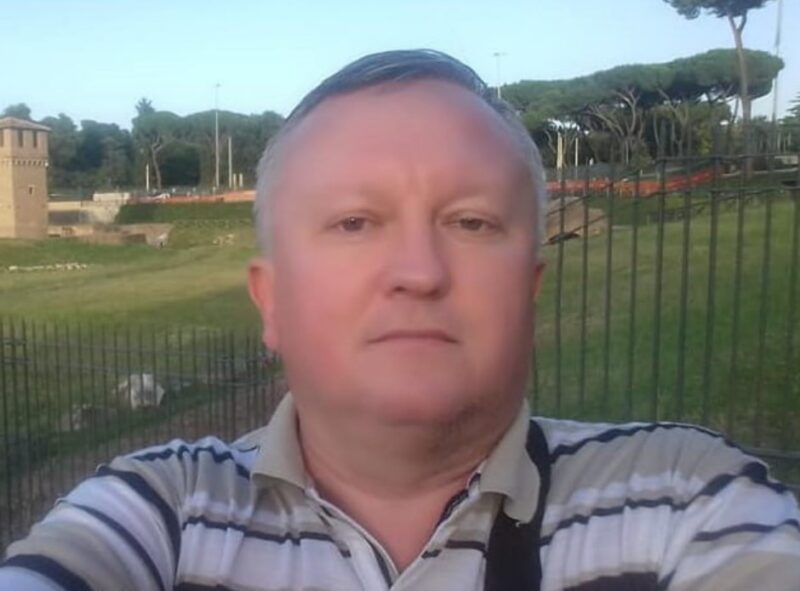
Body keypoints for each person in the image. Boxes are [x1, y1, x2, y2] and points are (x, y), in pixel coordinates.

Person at [2, 49, 799, 591]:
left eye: (472, 222)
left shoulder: (688, 498)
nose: (419, 271)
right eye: (354, 222)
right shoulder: (158, 509)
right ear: (271, 301)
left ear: (529, 288)